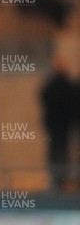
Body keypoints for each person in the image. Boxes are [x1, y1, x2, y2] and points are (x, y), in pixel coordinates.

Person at [40, 56, 74, 191]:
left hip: (59, 124)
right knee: (58, 153)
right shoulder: (61, 84)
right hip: (59, 125)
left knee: (58, 153)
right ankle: (58, 181)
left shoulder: (57, 84)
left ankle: (58, 181)